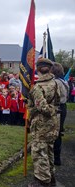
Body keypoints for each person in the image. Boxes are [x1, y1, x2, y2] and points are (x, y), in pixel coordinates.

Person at [28, 58, 60, 187]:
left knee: (39, 152)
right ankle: (51, 177)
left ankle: (42, 181)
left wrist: (32, 110)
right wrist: (53, 110)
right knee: (49, 150)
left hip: (41, 125)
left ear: (38, 69)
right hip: (52, 124)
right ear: (50, 69)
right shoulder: (55, 83)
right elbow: (58, 103)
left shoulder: (38, 87)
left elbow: (43, 108)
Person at [50, 63, 69, 166]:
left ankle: (56, 158)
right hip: (63, 106)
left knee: (55, 133)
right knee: (58, 132)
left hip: (58, 107)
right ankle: (56, 157)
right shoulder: (64, 81)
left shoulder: (56, 82)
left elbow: (53, 97)